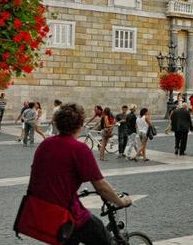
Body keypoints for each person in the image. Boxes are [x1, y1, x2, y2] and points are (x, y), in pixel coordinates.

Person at [26, 103, 131, 244]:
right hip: (67, 214)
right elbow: (101, 186)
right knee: (102, 236)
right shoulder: (79, 149)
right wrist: (121, 201)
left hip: (42, 212)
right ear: (80, 124)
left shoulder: (45, 144)